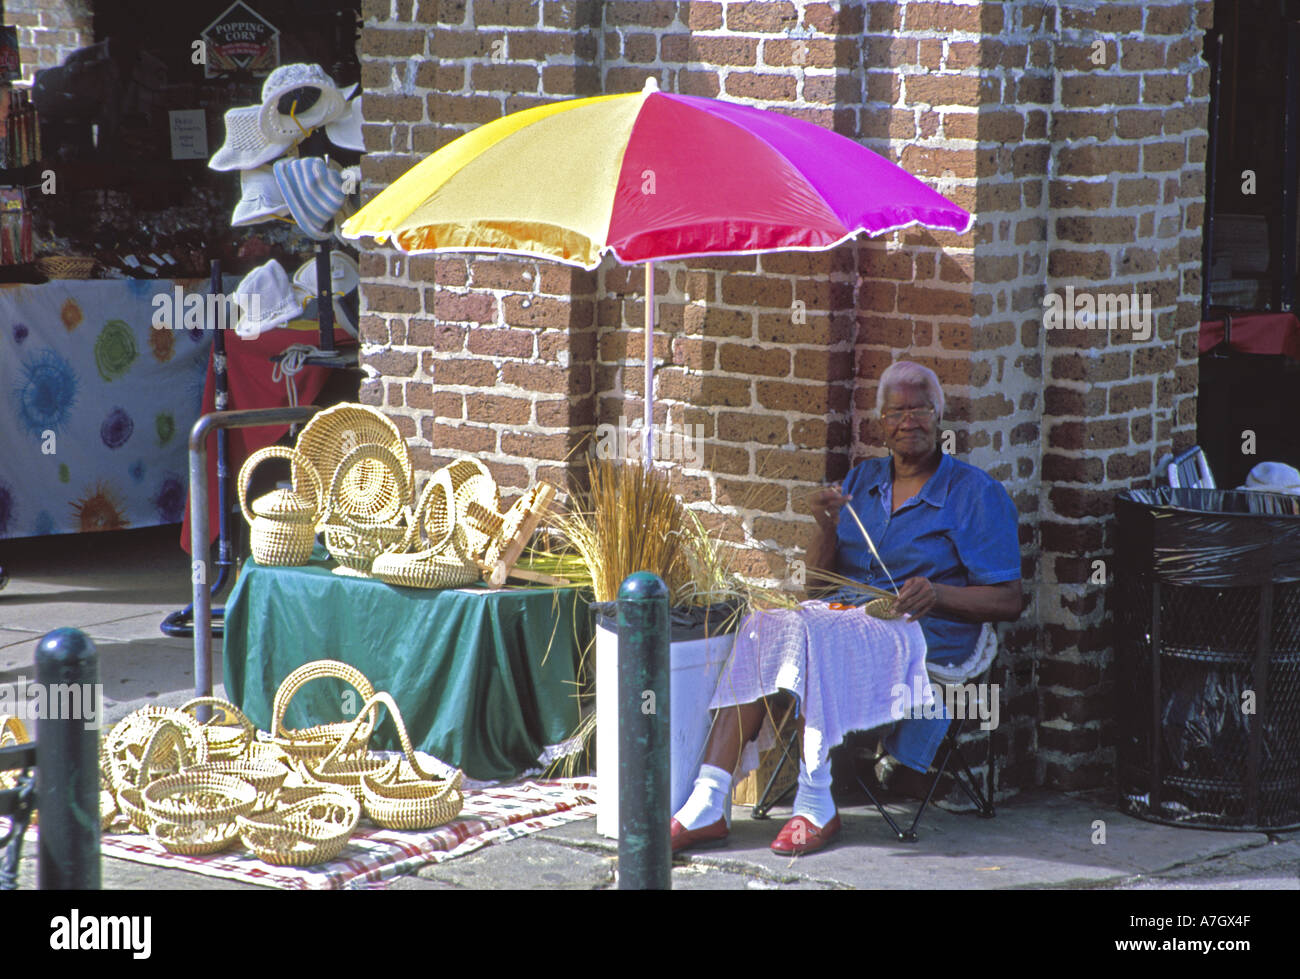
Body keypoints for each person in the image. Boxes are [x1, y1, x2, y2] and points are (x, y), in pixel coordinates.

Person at [671, 360, 1023, 855]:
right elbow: (814, 587)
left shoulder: (974, 493)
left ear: (939, 416)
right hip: (846, 620)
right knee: (761, 625)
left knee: (823, 639)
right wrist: (826, 526)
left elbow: (1010, 601)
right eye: (896, 412)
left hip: (926, 631)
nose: (909, 421)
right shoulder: (863, 480)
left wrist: (938, 594)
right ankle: (707, 801)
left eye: (920, 409)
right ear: (881, 423)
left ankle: (816, 803)